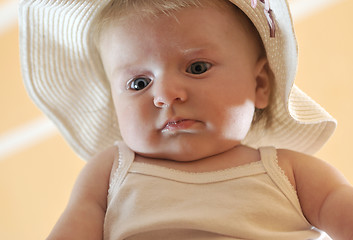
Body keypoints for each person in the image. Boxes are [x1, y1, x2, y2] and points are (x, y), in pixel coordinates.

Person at [19, 0, 353, 239]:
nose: (165, 95)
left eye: (196, 68)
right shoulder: (112, 170)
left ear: (260, 85)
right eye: (139, 83)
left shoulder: (289, 172)